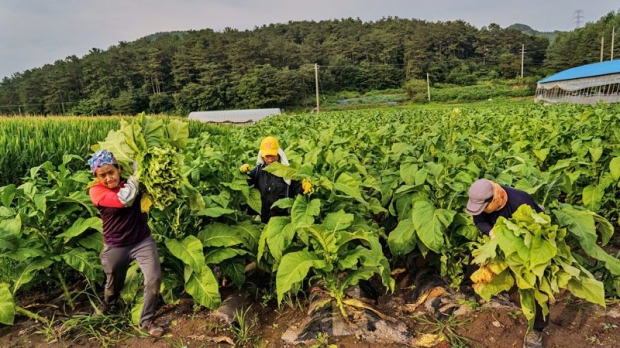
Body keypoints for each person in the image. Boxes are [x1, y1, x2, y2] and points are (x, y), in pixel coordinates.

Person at [88, 149, 163, 338]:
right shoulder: (96, 191)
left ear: (118, 168)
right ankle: (109, 303)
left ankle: (146, 320)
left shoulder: (130, 183)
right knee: (113, 282)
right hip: (116, 245)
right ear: (96, 177)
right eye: (102, 175)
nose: (108, 178)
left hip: (141, 240)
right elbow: (124, 200)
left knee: (153, 279)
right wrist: (137, 175)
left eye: (111, 172)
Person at [465, 178, 547, 348]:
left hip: (527, 242)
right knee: (477, 260)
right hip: (498, 239)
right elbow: (479, 222)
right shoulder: (481, 203)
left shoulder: (519, 201)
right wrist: (491, 231)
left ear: (494, 200)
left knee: (537, 284)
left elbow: (535, 230)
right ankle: (469, 293)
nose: (480, 211)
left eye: (483, 208)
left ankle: (537, 330)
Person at [239, 136, 307, 223]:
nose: (270, 159)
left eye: (273, 155)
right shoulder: (258, 171)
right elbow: (245, 183)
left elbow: (297, 189)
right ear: (262, 156)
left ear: (278, 153)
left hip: (281, 220)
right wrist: (241, 173)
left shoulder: (287, 171)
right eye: (267, 156)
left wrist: (305, 186)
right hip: (262, 218)